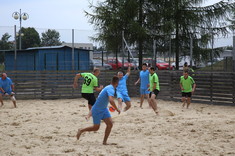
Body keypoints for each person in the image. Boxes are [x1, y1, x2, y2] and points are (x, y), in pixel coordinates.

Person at [76, 76, 121, 145]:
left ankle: (104, 142)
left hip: (104, 109)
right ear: (117, 83)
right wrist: (117, 109)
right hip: (97, 110)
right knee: (96, 128)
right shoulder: (111, 89)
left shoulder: (109, 87)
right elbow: (111, 100)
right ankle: (81, 130)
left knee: (110, 124)